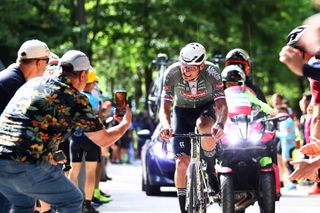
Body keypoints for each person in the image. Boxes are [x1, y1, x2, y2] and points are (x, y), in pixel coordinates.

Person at [0, 50, 132, 212]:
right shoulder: (75, 98)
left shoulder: (32, 84)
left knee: (23, 204)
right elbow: (103, 139)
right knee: (72, 200)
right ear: (83, 75)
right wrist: (125, 123)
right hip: (25, 162)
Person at [159, 42, 228, 213]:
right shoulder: (172, 73)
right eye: (183, 65)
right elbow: (165, 106)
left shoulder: (212, 72)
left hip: (205, 107)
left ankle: (211, 171)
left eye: (191, 67)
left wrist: (219, 124)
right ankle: (183, 208)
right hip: (182, 112)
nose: (185, 70)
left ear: (202, 65)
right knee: (181, 164)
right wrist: (166, 125)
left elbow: (221, 104)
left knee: (204, 127)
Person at [0, 39, 51, 213]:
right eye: (46, 64)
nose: (46, 71)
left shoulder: (12, 78)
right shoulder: (17, 86)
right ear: (38, 62)